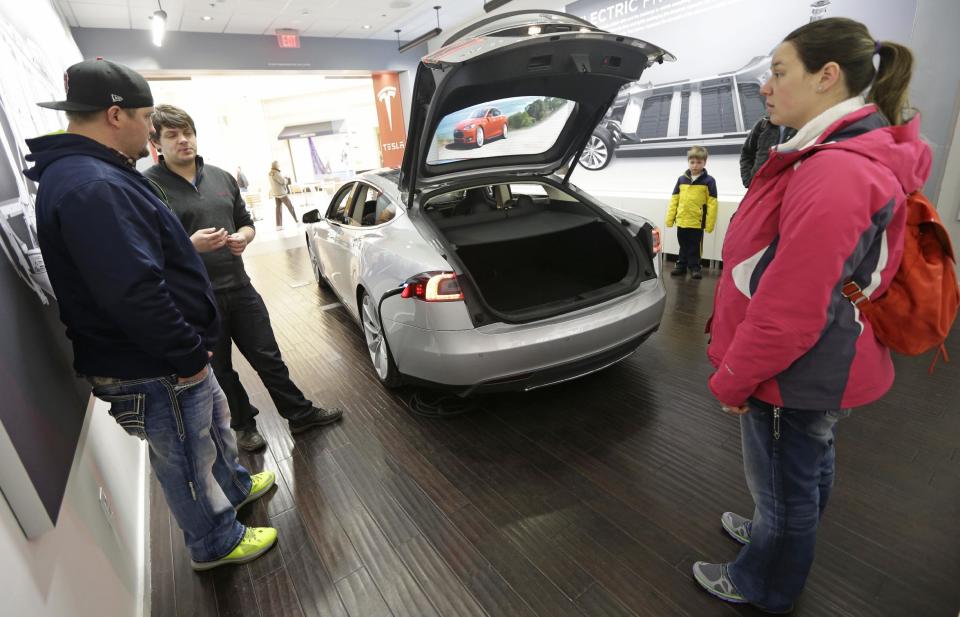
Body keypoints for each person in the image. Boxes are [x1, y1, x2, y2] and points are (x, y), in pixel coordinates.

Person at [694, 18, 930, 613]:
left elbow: (792, 306)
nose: (765, 87)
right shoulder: (838, 153)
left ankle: (764, 583)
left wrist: (734, 376)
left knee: (785, 487)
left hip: (797, 368)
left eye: (778, 72)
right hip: (824, 361)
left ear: (827, 77)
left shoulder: (835, 169)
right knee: (805, 465)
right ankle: (775, 533)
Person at [24, 60, 279, 570]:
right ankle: (214, 544)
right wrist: (187, 355)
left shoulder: (97, 173)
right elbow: (132, 290)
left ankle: (234, 486)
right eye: (145, 118)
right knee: (185, 460)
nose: (152, 131)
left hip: (169, 353)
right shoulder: (90, 185)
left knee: (213, 428)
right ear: (116, 115)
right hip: (154, 362)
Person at [146, 105, 343, 453]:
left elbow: (245, 220)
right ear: (157, 144)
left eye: (188, 132)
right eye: (173, 135)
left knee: (268, 356)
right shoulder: (149, 188)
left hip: (240, 287)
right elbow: (147, 250)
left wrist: (245, 237)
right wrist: (190, 246)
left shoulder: (221, 177)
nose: (184, 140)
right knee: (220, 370)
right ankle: (243, 426)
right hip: (196, 300)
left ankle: (299, 414)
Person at [664, 145, 718, 279]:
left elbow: (712, 204)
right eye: (692, 162)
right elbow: (674, 200)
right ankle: (681, 265)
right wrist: (670, 219)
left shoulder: (709, 181)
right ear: (688, 162)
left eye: (699, 162)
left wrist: (710, 223)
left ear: (705, 162)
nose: (695, 165)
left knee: (695, 246)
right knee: (683, 245)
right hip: (682, 220)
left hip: (697, 222)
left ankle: (695, 267)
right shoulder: (681, 179)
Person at [739, 116, 797, 187]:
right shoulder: (764, 124)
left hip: (788, 189)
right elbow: (747, 153)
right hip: (758, 188)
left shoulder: (803, 127)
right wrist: (749, 181)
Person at [268, 160, 297, 230]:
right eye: (278, 164)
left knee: (278, 208)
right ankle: (297, 221)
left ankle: (278, 226)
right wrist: (286, 179)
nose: (279, 166)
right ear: (276, 165)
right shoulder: (276, 173)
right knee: (290, 207)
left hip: (276, 193)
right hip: (281, 193)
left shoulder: (270, 173)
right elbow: (282, 182)